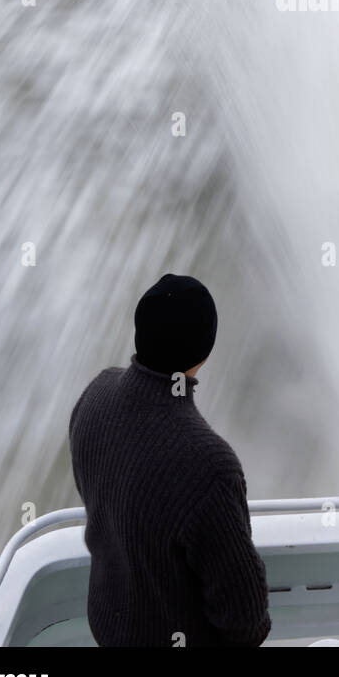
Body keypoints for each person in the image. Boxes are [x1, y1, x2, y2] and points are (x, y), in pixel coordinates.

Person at [68, 273, 271, 647]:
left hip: (109, 627)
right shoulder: (211, 467)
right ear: (204, 352)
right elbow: (245, 618)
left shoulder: (94, 395)